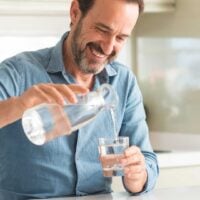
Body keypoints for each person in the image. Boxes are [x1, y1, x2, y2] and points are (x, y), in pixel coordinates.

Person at [0, 0, 159, 199]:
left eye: (120, 38)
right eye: (102, 29)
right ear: (75, 13)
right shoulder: (19, 72)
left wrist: (137, 175)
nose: (108, 47)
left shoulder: (123, 81)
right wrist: (20, 104)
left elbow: (148, 160)